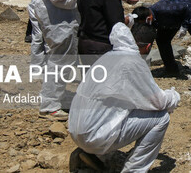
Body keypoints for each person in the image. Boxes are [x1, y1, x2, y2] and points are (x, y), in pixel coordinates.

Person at [68, 22, 180, 173]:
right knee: (161, 118)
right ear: (148, 47)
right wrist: (174, 96)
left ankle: (96, 157)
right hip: (94, 136)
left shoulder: (106, 58)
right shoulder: (132, 62)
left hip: (76, 132)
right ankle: (134, 170)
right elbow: (158, 101)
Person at [29, 0, 87, 120]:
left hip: (65, 16)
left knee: (64, 59)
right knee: (60, 59)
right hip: (58, 16)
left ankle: (56, 100)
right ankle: (50, 106)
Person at [135, 0, 191, 84]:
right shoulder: (151, 17)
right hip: (173, 19)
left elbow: (190, 5)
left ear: (148, 18)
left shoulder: (165, 9)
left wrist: (185, 25)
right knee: (162, 40)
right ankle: (171, 69)